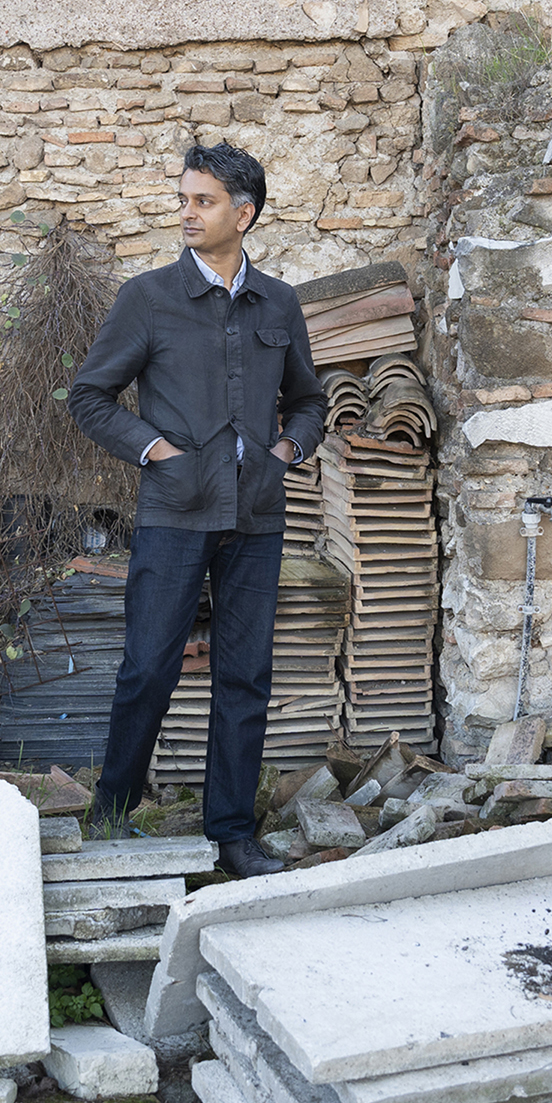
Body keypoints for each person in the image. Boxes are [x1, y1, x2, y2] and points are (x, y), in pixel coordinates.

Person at [67, 142, 328, 879]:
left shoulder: (278, 303)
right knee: (148, 669)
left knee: (245, 677)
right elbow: (89, 397)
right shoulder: (148, 298)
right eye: (183, 199)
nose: (186, 213)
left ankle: (233, 837)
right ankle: (111, 817)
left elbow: (309, 401)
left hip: (257, 515)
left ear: (243, 214)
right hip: (174, 512)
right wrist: (157, 452)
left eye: (203, 201)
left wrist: (286, 452)